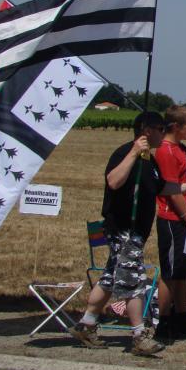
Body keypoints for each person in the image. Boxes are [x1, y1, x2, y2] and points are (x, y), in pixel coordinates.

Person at [70, 111, 166, 356]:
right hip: (124, 230)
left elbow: (162, 188)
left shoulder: (150, 161)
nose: (163, 133)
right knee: (133, 280)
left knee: (111, 278)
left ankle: (87, 324)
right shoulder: (124, 153)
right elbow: (113, 181)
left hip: (137, 232)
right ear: (147, 130)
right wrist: (134, 152)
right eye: (160, 128)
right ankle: (139, 335)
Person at [154, 105, 186, 340]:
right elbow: (172, 191)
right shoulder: (166, 152)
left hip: (182, 219)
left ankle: (182, 316)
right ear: (176, 127)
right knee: (170, 272)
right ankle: (163, 321)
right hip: (171, 219)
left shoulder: (180, 150)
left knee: (184, 272)